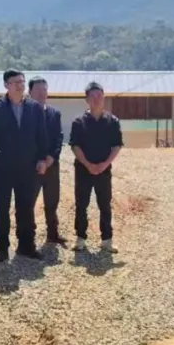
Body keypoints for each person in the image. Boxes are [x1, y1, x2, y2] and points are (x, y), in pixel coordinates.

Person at [0, 70, 49, 262]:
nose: (20, 85)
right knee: (2, 208)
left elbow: (41, 135)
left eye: (22, 82)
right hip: (3, 166)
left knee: (25, 207)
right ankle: (2, 247)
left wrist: (42, 159)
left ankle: (26, 245)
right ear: (6, 85)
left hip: (27, 166)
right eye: (15, 82)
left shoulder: (34, 107)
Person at [69, 82, 123, 253]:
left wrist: (104, 164)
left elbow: (117, 145)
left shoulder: (112, 121)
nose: (96, 99)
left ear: (104, 97)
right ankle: (80, 239)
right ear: (87, 100)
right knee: (81, 204)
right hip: (83, 170)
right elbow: (75, 146)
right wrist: (88, 165)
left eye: (99, 95)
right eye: (92, 96)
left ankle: (107, 240)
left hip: (104, 170)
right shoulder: (79, 122)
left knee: (105, 205)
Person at [29, 77, 66, 246]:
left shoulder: (54, 113)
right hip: (32, 166)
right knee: (29, 202)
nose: (41, 93)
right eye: (37, 90)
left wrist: (51, 157)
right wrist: (38, 160)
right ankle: (29, 237)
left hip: (51, 165)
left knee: (52, 201)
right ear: (30, 92)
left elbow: (59, 138)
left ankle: (53, 233)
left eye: (44, 89)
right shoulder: (25, 113)